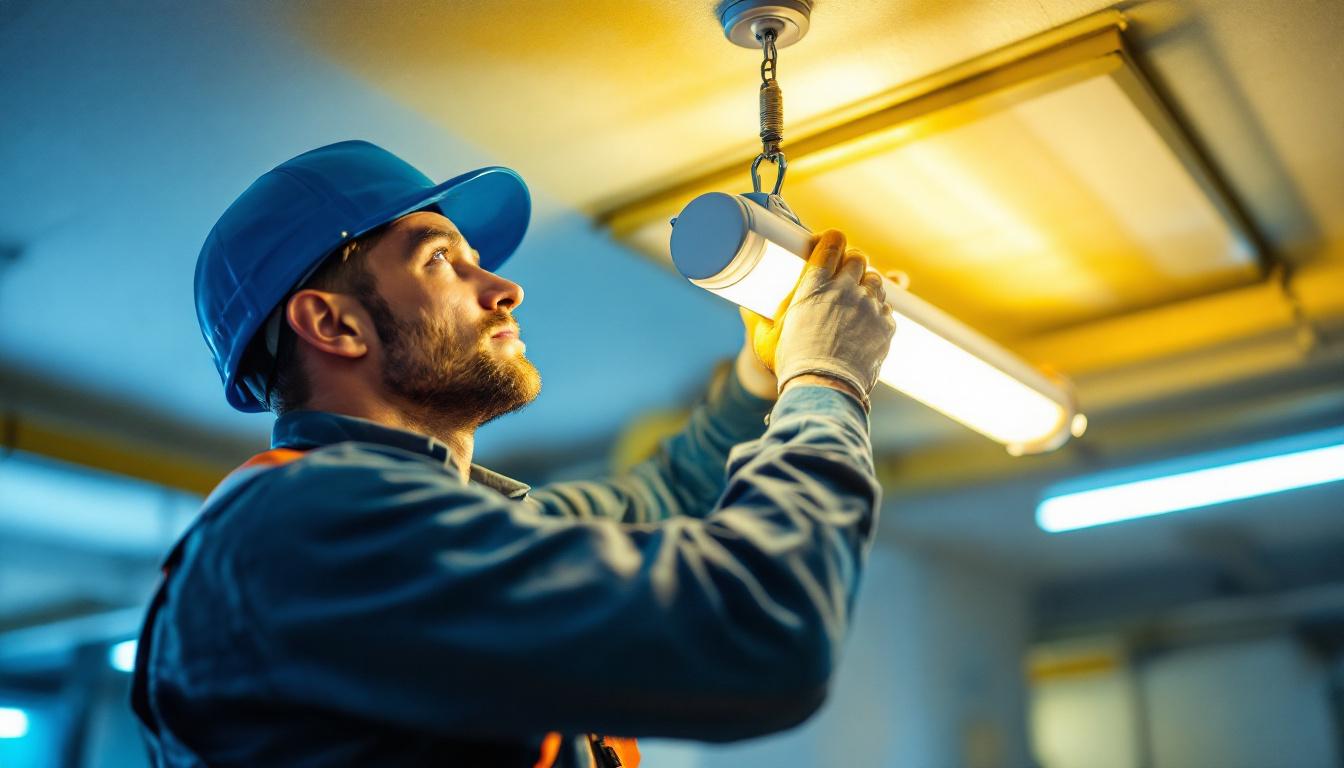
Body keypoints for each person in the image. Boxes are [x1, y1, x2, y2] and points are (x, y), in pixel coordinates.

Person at [131, 140, 896, 767]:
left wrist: (761, 381)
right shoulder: (309, 530)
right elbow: (759, 627)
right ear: (333, 325)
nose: (504, 287)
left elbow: (655, 500)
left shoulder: (439, 526)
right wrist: (825, 381)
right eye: (441, 262)